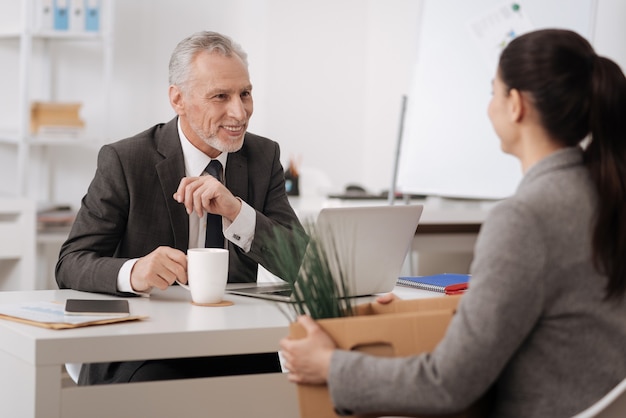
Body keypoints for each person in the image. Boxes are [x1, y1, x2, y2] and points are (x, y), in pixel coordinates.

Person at [280, 29, 626, 417]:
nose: (488, 106)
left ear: (515, 105)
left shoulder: (523, 218)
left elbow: (447, 385)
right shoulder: (606, 194)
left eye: (492, 91)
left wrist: (330, 364)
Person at [56, 31, 306, 385]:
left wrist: (237, 211)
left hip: (234, 342)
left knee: (281, 384)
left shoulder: (263, 157)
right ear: (179, 99)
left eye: (245, 94)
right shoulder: (126, 160)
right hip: (142, 347)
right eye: (221, 96)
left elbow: (299, 262)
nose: (240, 112)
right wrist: (135, 272)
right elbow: (71, 263)